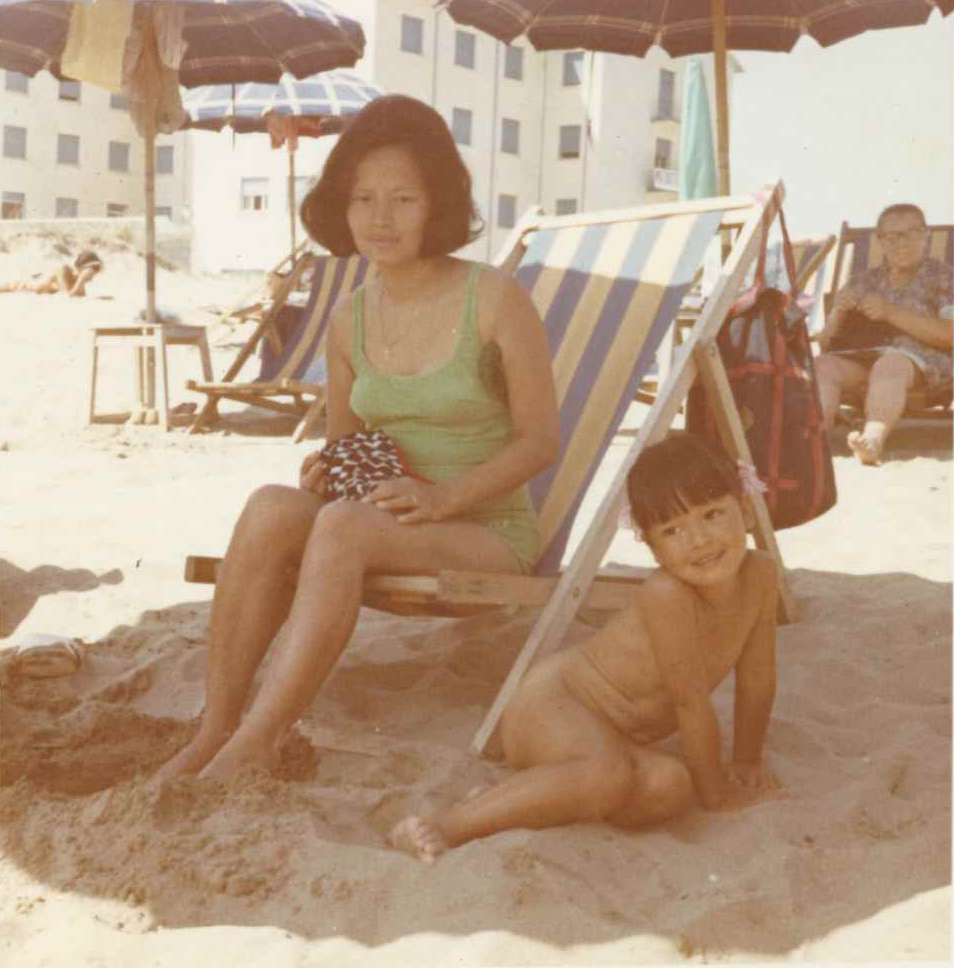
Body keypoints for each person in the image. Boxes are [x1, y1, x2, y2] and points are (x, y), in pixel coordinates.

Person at [158, 94, 560, 782]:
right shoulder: (349, 316)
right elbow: (347, 444)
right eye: (363, 199)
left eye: (403, 199)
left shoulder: (494, 299)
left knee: (341, 526)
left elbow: (540, 441)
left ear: (437, 204)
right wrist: (324, 470)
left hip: (483, 528)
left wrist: (443, 499)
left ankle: (256, 742)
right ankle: (215, 727)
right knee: (271, 505)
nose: (380, 218)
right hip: (382, 519)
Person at [389, 433, 783, 864]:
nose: (699, 540)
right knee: (606, 773)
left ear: (746, 509)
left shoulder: (761, 576)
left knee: (669, 787)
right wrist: (718, 796)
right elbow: (690, 703)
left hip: (610, 737)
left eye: (712, 514)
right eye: (673, 530)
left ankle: (529, 794)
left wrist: (746, 761)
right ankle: (448, 824)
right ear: (653, 548)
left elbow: (757, 680)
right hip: (554, 703)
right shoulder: (668, 594)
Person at [814, 204, 953, 465]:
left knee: (891, 364)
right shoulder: (861, 281)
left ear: (926, 235)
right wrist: (838, 313)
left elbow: (950, 334)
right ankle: (814, 439)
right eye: (892, 236)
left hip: (926, 366)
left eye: (910, 233)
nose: (901, 242)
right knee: (823, 365)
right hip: (864, 360)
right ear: (880, 241)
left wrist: (890, 313)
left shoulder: (944, 278)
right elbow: (825, 344)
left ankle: (872, 440)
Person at [0, 249, 103, 297]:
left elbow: (80, 296)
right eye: (90, 275)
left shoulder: (75, 279)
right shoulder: (63, 269)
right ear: (82, 269)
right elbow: (67, 296)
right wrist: (81, 280)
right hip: (18, 286)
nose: (91, 279)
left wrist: (81, 281)